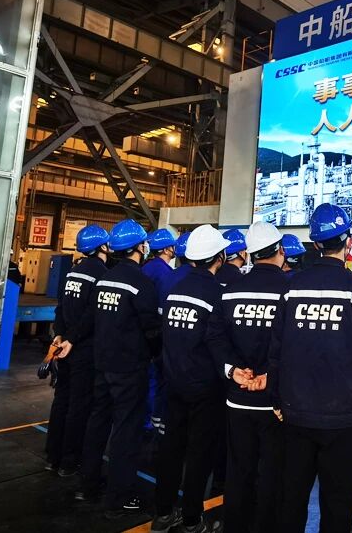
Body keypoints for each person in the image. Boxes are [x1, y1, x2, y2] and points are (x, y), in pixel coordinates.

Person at [270, 203, 352, 533]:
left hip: (296, 413)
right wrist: (346, 365)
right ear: (348, 242)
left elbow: (275, 348)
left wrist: (279, 396)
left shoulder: (292, 288)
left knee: (291, 500)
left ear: (316, 243)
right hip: (343, 417)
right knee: (339, 507)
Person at [77, 219, 162, 519]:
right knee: (126, 431)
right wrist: (157, 356)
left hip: (102, 364)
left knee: (98, 423)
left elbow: (91, 320)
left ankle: (88, 485)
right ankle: (119, 498)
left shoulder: (105, 279)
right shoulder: (141, 283)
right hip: (129, 368)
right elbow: (152, 329)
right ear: (139, 247)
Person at [207, 221, 288, 533]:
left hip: (237, 397)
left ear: (250, 254)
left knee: (239, 470)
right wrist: (271, 375)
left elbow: (214, 337)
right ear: (280, 251)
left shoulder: (230, 292)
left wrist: (233, 370)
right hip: (275, 401)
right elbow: (294, 344)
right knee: (272, 473)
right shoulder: (290, 292)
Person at [151, 225, 231, 533]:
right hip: (205, 389)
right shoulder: (217, 295)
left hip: (174, 384)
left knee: (171, 448)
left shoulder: (175, 291)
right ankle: (192, 519)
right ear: (219, 257)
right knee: (199, 454)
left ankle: (162, 513)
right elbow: (219, 343)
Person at [45, 225, 111, 476]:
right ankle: (69, 461)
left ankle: (53, 456)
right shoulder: (102, 274)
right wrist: (72, 339)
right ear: (102, 246)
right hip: (83, 348)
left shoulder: (73, 272)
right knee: (79, 405)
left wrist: (60, 335)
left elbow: (61, 307)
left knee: (61, 399)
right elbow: (92, 314)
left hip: (64, 345)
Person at [142, 228, 177, 434]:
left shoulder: (147, 267)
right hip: (156, 336)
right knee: (156, 380)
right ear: (166, 248)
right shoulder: (165, 273)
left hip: (141, 335)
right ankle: (152, 422)